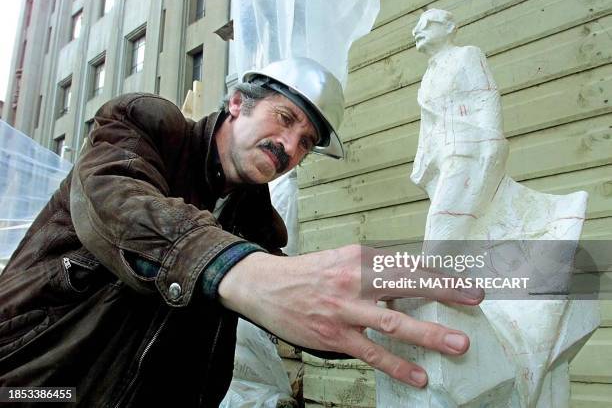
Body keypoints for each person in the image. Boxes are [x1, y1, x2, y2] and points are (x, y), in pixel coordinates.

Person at [0, 57, 483, 406]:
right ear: (237, 103)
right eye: (285, 118)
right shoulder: (148, 129)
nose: (289, 147)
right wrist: (245, 273)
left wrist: (375, 311)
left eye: (306, 143)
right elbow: (117, 203)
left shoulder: (255, 223)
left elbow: (284, 306)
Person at [411, 9, 509, 240]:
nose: (417, 30)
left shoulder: (467, 55)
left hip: (467, 150)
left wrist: (491, 143)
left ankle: (432, 276)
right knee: (467, 228)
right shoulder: (428, 74)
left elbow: (485, 96)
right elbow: (429, 120)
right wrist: (421, 163)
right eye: (417, 26)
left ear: (449, 28)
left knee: (442, 223)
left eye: (427, 23)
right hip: (437, 158)